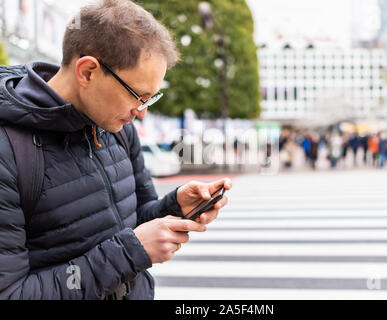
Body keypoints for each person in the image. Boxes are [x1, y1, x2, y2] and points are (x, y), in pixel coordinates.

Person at [0, 0, 231, 300]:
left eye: (150, 99)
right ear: (87, 72)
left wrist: (174, 206)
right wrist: (129, 252)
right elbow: (11, 293)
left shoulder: (118, 129)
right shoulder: (9, 150)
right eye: (138, 95)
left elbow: (135, 220)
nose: (142, 112)